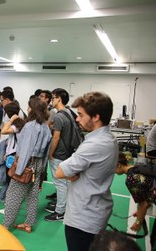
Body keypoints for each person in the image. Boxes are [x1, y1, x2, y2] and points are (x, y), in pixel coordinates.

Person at [55, 91, 118, 251]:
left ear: (96, 117)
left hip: (83, 219)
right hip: (94, 212)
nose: (77, 119)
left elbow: (60, 172)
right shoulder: (108, 138)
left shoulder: (94, 145)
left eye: (81, 115)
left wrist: (71, 173)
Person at [3, 98, 52, 233]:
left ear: (33, 109)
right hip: (38, 164)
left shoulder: (30, 126)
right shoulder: (45, 126)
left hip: (26, 164)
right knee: (32, 195)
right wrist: (42, 171)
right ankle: (28, 223)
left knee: (13, 195)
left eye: (29, 107)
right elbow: (47, 152)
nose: (27, 109)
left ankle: (6, 226)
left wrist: (19, 170)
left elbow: (26, 150)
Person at [115, 152, 156, 249]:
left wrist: (138, 223)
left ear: (118, 165)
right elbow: (150, 190)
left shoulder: (131, 178)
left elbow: (143, 204)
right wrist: (140, 211)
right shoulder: (138, 167)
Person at [45, 88, 74, 222]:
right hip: (67, 152)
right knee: (66, 182)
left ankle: (60, 211)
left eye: (53, 98)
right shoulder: (68, 113)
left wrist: (50, 153)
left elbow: (56, 138)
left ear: (59, 99)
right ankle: (65, 206)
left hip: (58, 153)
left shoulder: (58, 116)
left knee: (60, 183)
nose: (51, 100)